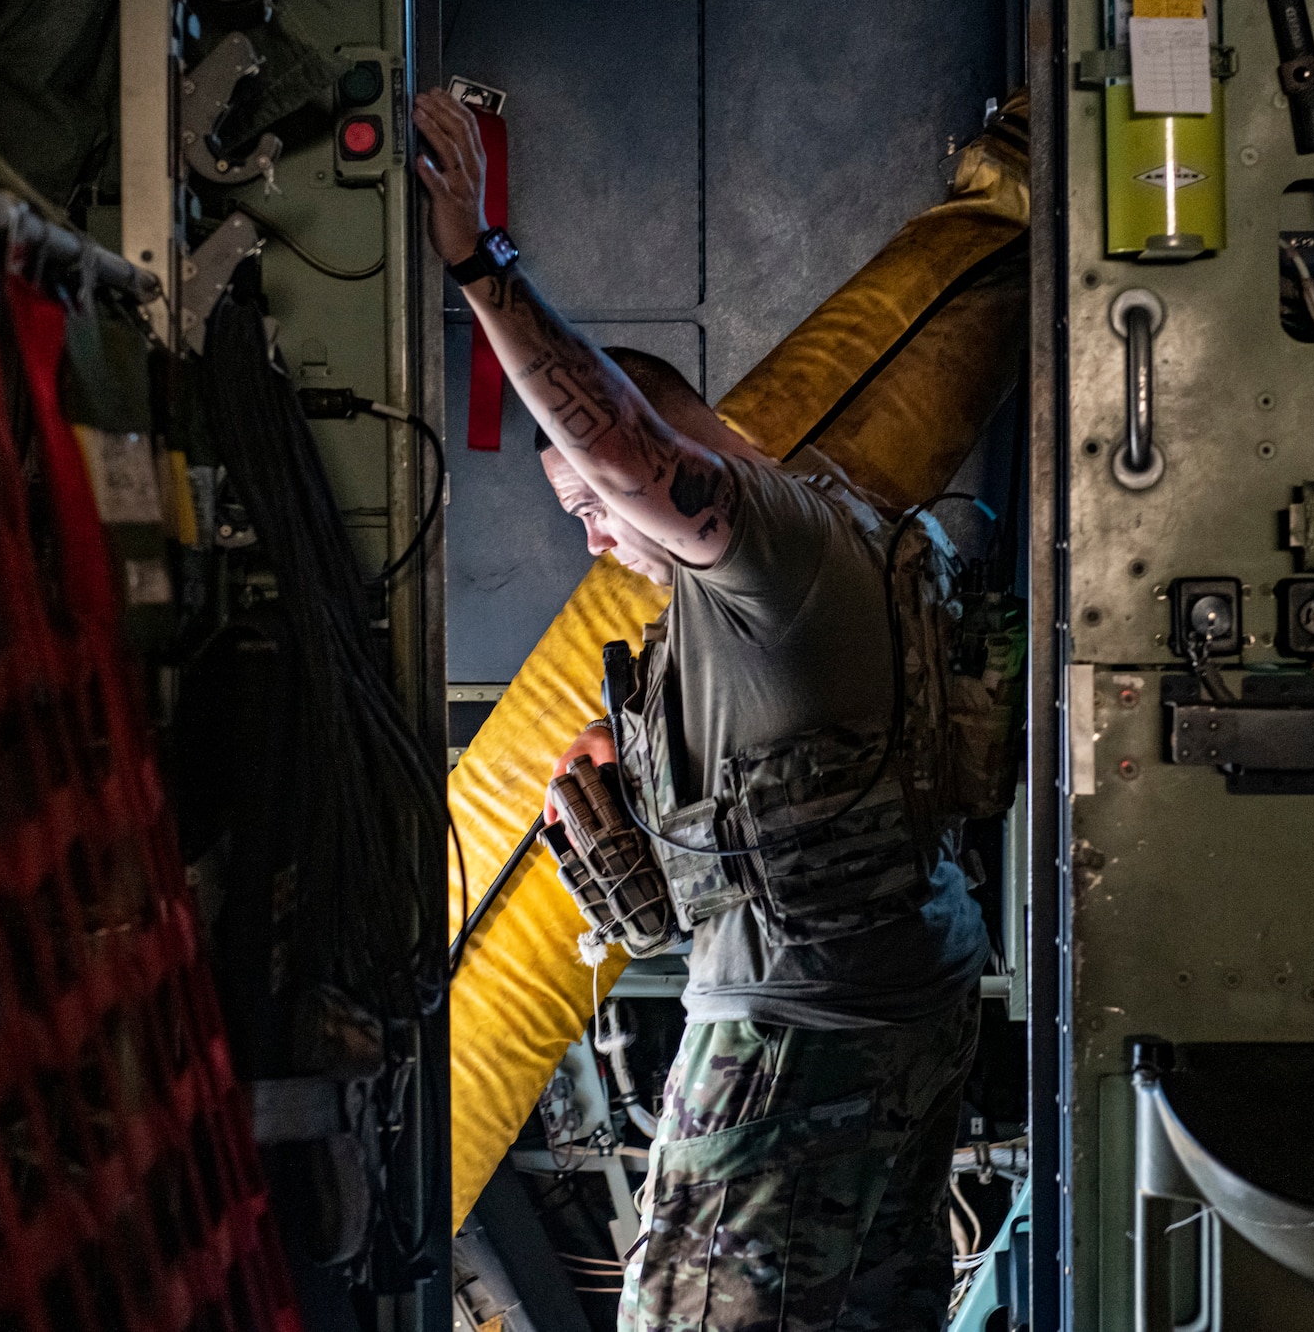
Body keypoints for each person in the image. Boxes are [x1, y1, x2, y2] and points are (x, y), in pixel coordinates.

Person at [415, 88, 990, 1331]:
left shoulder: (766, 540)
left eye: (585, 506)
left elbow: (623, 447)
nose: (590, 536)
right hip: (889, 1009)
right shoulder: (720, 612)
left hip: (800, 1040)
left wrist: (475, 254)